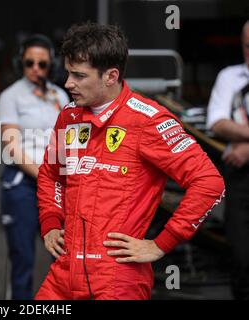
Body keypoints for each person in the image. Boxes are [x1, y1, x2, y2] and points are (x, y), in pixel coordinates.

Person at [35, 22, 225, 300]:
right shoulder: (69, 116)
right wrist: (50, 223)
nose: (68, 83)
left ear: (111, 75)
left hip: (117, 278)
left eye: (78, 75)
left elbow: (210, 183)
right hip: (64, 272)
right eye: (67, 73)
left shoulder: (149, 120)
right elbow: (51, 173)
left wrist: (162, 243)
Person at [0, 34, 69, 299]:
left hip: (57, 183)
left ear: (52, 66)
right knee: (23, 258)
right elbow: (12, 147)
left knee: (62, 257)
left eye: (43, 64)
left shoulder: (60, 95)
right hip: (23, 183)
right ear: (20, 64)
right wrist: (45, 176)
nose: (36, 69)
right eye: (30, 63)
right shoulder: (10, 96)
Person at [206, 20, 249, 300]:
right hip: (241, 177)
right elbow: (216, 123)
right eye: (248, 45)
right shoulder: (230, 77)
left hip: (242, 157)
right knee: (240, 254)